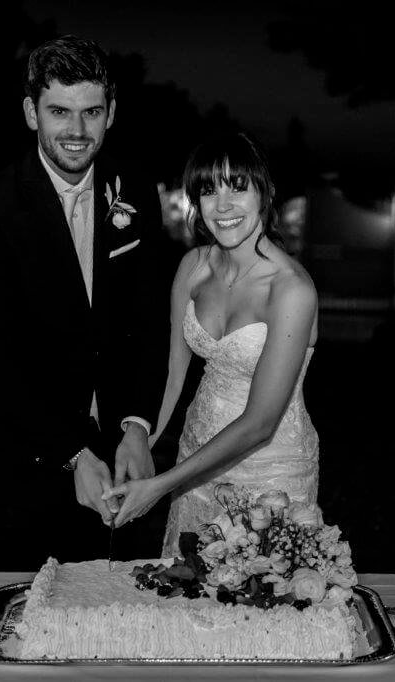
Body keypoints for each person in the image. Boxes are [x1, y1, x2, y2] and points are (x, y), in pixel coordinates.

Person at [0, 35, 169, 571]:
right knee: (13, 628)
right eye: (59, 112)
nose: (76, 131)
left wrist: (137, 427)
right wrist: (73, 454)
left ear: (111, 113)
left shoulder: (136, 190)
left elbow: (149, 321)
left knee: (114, 633)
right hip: (16, 464)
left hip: (121, 465)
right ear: (31, 113)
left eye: (91, 112)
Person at [104, 132, 320, 557]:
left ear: (266, 193)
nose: (222, 206)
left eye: (237, 187)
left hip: (271, 471)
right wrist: (138, 439)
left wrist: (163, 484)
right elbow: (172, 373)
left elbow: (261, 422)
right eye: (208, 190)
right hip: (197, 453)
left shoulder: (292, 290)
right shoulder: (193, 267)